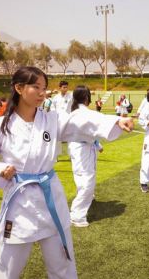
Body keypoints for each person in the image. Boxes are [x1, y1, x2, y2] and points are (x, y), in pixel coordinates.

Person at [0, 67, 133, 279]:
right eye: (35, 87)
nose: (41, 93)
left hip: (50, 199)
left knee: (62, 263)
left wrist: (115, 121)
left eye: (44, 88)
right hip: (19, 201)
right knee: (7, 267)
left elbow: (79, 120)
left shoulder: (52, 120)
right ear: (18, 88)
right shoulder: (0, 125)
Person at [67, 86, 107, 227]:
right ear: (86, 98)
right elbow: (95, 129)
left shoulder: (75, 112)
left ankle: (85, 198)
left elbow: (89, 133)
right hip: (82, 149)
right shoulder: (83, 113)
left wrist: (97, 144)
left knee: (81, 177)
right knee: (88, 179)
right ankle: (77, 215)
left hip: (79, 148)